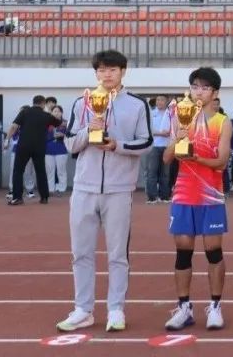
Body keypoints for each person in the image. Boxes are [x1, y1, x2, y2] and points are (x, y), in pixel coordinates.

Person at [58, 49, 153, 332]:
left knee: (117, 254)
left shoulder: (137, 104)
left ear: (123, 71)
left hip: (119, 189)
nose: (106, 75)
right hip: (83, 188)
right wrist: (89, 130)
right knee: (81, 253)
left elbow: (146, 142)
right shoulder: (82, 103)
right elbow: (70, 144)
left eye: (112, 69)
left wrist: (117, 145)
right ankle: (83, 309)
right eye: (101, 70)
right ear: (95, 73)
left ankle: (115, 309)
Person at [162, 67, 233, 332]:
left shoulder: (223, 122)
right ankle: (184, 308)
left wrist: (196, 158)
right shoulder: (181, 117)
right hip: (184, 194)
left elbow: (222, 162)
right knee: (183, 252)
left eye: (204, 87)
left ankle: (215, 307)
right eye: (194, 87)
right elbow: (167, 158)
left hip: (211, 195)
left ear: (215, 92)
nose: (198, 92)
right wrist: (178, 139)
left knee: (213, 251)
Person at [5, 94, 59, 205]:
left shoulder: (24, 112)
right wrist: (51, 112)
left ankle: (17, 197)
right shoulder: (46, 115)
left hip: (23, 146)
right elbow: (58, 122)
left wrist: (7, 139)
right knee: (40, 171)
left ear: (33, 102)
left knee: (18, 171)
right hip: (39, 147)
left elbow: (14, 126)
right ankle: (44, 197)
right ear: (43, 103)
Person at [147, 95, 172, 204]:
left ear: (167, 102)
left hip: (167, 146)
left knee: (165, 173)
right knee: (152, 172)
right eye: (158, 100)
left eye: (162, 100)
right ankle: (152, 197)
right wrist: (161, 133)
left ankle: (164, 196)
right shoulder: (151, 113)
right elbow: (147, 130)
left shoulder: (171, 114)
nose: (159, 102)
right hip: (154, 146)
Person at [45, 105, 69, 195]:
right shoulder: (46, 123)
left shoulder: (66, 123)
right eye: (54, 111)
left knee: (61, 171)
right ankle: (50, 189)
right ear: (51, 113)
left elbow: (71, 135)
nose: (56, 113)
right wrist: (51, 136)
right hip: (48, 150)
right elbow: (42, 136)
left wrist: (63, 135)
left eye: (58, 111)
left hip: (61, 150)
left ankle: (61, 189)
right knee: (49, 171)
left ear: (61, 113)